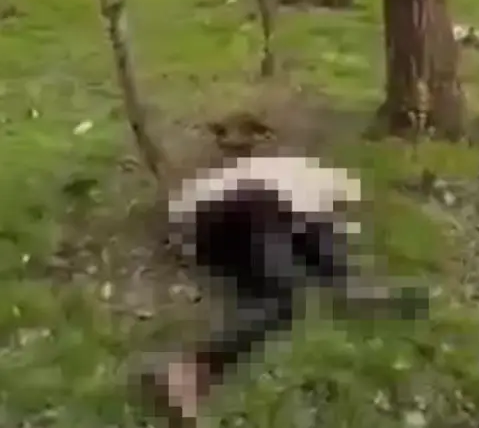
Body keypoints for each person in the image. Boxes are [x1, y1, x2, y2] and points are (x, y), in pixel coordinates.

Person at [137, 156, 428, 425]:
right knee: (283, 300)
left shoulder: (290, 179)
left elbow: (314, 251)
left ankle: (189, 380)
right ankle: (185, 373)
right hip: (238, 207)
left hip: (205, 222)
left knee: (267, 301)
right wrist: (356, 286)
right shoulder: (319, 186)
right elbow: (320, 247)